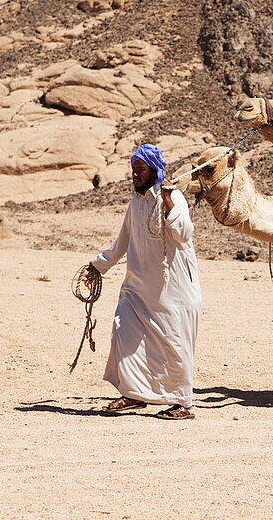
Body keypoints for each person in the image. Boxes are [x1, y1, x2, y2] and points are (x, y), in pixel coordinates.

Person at [87, 144, 201, 420]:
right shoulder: (136, 202)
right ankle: (134, 394)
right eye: (133, 170)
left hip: (172, 291)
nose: (135, 175)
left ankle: (183, 403)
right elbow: (122, 241)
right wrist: (98, 265)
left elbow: (185, 233)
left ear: (154, 171)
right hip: (137, 289)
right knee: (124, 333)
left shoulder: (173, 198)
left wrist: (169, 201)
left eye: (140, 171)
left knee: (174, 346)